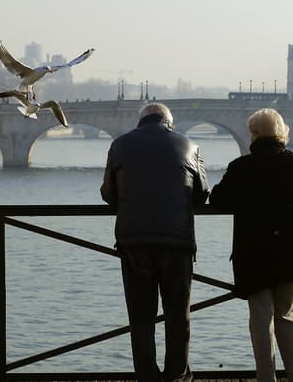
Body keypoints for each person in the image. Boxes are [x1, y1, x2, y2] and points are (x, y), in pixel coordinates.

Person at [209, 108, 293, 382]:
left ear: (254, 134)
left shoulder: (241, 166)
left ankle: (265, 378)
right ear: (281, 132)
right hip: (289, 251)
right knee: (287, 316)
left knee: (261, 319)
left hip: (253, 253)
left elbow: (218, 200)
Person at [100, 102, 209, 382]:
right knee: (177, 314)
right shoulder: (191, 146)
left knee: (141, 316)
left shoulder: (119, 145)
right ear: (169, 122)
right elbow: (201, 194)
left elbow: (108, 193)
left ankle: (147, 376)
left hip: (134, 241)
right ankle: (177, 375)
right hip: (177, 242)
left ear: (141, 121)